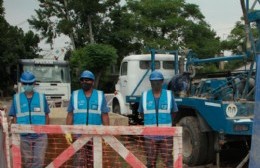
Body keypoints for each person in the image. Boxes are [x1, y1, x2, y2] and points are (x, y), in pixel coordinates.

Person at [65, 70, 110, 167]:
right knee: (78, 163)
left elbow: (104, 115)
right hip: (78, 135)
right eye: (82, 80)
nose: (84, 82)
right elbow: (70, 114)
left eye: (87, 80)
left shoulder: (100, 95)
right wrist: (67, 131)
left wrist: (107, 132)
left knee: (94, 162)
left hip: (95, 135)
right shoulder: (75, 95)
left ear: (93, 82)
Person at [9, 71, 50, 168]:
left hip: (40, 135)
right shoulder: (16, 98)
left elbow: (46, 115)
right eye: (25, 83)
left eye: (30, 83)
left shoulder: (41, 97)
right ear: (22, 84)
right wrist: (17, 134)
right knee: (26, 161)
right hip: (23, 136)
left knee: (39, 161)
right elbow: (14, 117)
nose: (28, 85)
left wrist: (46, 131)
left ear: (34, 83)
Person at [138, 70, 178, 168]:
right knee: (150, 162)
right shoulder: (144, 96)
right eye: (153, 81)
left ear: (162, 81)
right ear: (150, 82)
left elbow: (174, 112)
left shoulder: (169, 95)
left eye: (158, 81)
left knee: (168, 162)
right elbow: (142, 113)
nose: (156, 83)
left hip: (166, 136)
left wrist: (166, 123)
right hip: (150, 136)